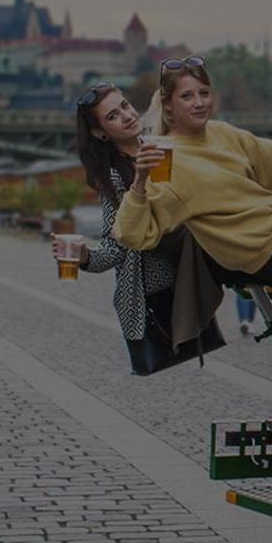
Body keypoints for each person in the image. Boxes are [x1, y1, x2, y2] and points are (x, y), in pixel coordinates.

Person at [114, 56, 272, 285]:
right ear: (168, 105)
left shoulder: (221, 132)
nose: (199, 103)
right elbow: (130, 234)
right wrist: (140, 182)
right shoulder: (165, 157)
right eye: (187, 96)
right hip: (260, 245)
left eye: (204, 93)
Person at [63, 82, 180, 372]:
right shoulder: (113, 178)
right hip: (153, 301)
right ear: (100, 132)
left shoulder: (165, 144)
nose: (127, 115)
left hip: (190, 282)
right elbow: (116, 245)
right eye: (112, 115)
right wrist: (86, 257)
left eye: (125, 106)